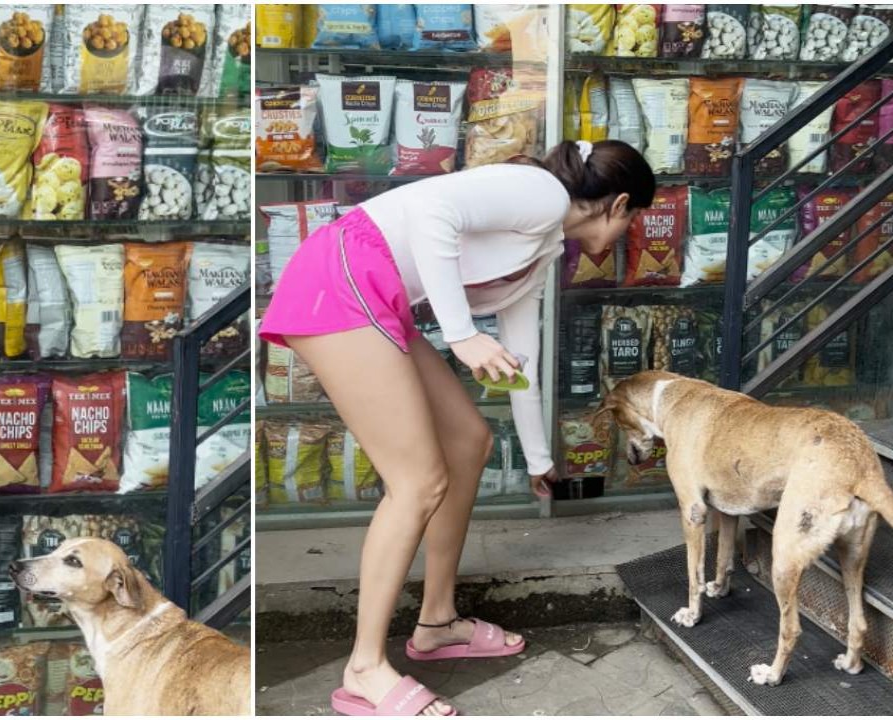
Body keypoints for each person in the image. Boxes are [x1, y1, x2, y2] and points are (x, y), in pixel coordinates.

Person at [259, 139, 656, 716]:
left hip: (378, 296)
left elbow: (522, 360)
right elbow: (430, 212)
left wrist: (541, 459)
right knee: (417, 482)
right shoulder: (540, 193)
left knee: (469, 442)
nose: (632, 232)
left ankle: (436, 623)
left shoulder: (544, 249)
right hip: (341, 281)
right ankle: (364, 669)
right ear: (619, 204)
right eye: (636, 218)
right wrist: (464, 334)